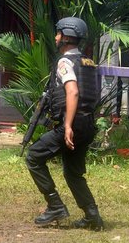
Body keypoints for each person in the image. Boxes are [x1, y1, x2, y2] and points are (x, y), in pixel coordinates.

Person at [25, 17, 104, 231]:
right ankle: (92, 215)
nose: (56, 37)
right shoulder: (88, 62)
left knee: (34, 157)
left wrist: (67, 125)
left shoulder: (65, 62)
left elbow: (73, 91)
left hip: (73, 125)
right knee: (73, 172)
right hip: (88, 124)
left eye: (58, 33)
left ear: (66, 36)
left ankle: (55, 205)